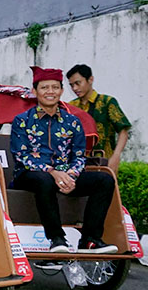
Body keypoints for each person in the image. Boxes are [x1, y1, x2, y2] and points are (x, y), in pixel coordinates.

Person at [10, 66, 118, 254]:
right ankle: (57, 238)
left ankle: (90, 239)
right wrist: (53, 172)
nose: (50, 92)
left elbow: (78, 155)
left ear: (61, 90)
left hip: (65, 175)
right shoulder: (22, 120)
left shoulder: (73, 122)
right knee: (44, 179)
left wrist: (71, 176)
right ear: (35, 92)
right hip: (29, 176)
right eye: (44, 88)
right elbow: (22, 156)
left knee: (105, 180)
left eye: (54, 87)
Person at [66, 64, 131, 174]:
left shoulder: (107, 102)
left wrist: (116, 156)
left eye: (78, 83)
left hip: (104, 161)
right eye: (71, 85)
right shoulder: (71, 106)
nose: (74, 88)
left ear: (90, 79)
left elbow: (123, 130)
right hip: (77, 164)